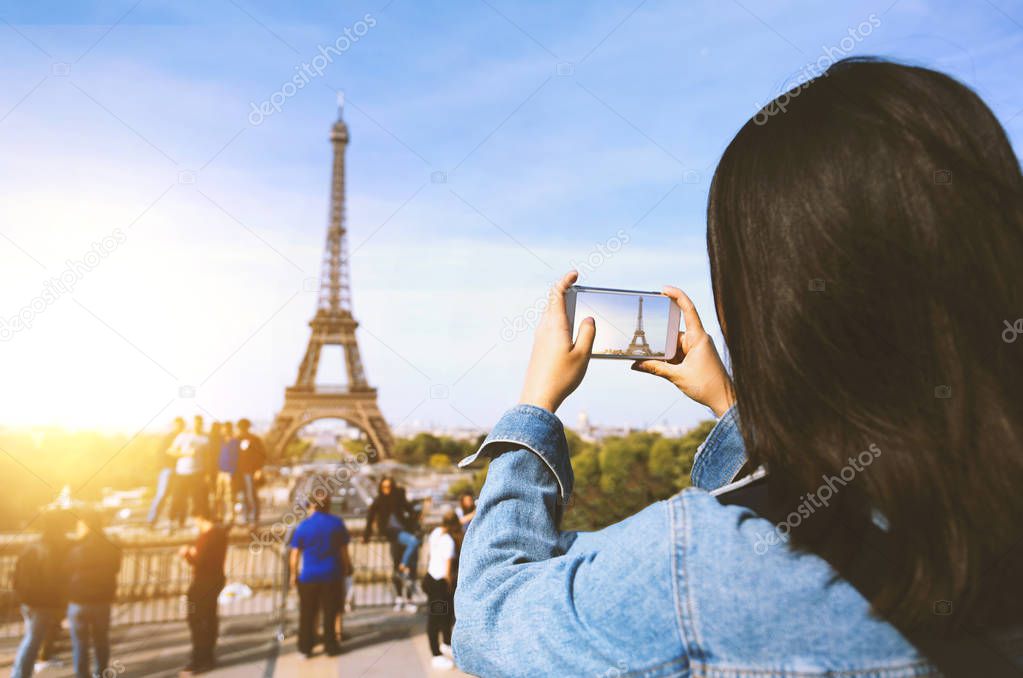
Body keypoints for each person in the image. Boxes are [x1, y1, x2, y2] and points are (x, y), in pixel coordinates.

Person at [452, 59, 1023, 677]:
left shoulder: (705, 565)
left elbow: (489, 620)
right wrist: (730, 405)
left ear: (769, 303)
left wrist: (535, 409)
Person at [289, 485, 351, 658]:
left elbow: (295, 555)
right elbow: (343, 551)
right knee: (330, 612)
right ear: (329, 505)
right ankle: (330, 646)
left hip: (309, 576)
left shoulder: (303, 526)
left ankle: (305, 648)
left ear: (312, 506)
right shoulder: (337, 523)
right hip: (332, 574)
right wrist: (347, 568)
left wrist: (294, 575)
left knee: (307, 613)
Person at [11, 512, 69, 678]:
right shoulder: (51, 549)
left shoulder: (32, 545)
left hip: (27, 600)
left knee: (32, 639)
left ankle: (21, 673)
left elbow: (16, 575)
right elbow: (53, 578)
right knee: (33, 641)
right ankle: (19, 675)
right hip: (42, 601)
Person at [66, 511, 121, 678]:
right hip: (101, 600)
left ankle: (82, 675)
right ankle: (101, 673)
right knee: (101, 641)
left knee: (80, 644)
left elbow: (65, 570)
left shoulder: (74, 547)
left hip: (78, 600)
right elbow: (116, 568)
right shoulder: (111, 545)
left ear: (85, 526)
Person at [179, 513, 227, 673]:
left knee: (197, 620)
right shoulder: (221, 534)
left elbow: (200, 562)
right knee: (210, 618)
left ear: (200, 517)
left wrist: (187, 554)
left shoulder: (207, 537)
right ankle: (208, 656)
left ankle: (200, 657)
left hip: (203, 582)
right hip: (217, 579)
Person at [423, 510, 459, 671]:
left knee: (443, 614)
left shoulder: (436, 532)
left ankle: (445, 643)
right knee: (436, 618)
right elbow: (447, 570)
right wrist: (451, 587)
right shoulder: (449, 541)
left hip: (430, 577)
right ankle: (436, 654)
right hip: (440, 582)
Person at [364, 476, 420, 579]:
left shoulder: (397, 498)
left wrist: (414, 517)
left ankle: (402, 573)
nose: (387, 489)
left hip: (401, 530)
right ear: (381, 488)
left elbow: (408, 508)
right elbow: (370, 518)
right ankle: (403, 566)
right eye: (384, 487)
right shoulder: (379, 500)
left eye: (389, 487)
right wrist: (366, 536)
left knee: (398, 558)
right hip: (391, 532)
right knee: (413, 542)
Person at [170, 415, 209, 528]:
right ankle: (176, 521)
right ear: (192, 423)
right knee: (179, 498)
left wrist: (207, 473)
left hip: (197, 473)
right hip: (182, 472)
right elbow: (171, 451)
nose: (197, 425)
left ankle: (198, 523)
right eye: (196, 423)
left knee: (198, 500)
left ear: (202, 424)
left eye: (200, 423)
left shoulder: (205, 439)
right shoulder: (183, 436)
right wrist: (185, 454)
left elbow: (208, 457)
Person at [147, 417, 185, 527]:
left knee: (179, 497)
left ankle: (177, 521)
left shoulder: (184, 438)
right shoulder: (168, 438)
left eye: (181, 425)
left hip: (180, 471)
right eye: (177, 425)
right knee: (162, 495)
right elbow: (162, 454)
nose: (179, 427)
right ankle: (152, 520)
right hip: (168, 470)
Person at [235, 419, 266, 526]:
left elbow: (261, 455)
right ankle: (245, 518)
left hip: (250, 472)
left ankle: (253, 518)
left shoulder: (254, 439)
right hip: (239, 473)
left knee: (250, 495)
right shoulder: (236, 440)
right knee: (242, 496)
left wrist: (258, 470)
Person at [215, 421, 239, 522]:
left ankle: (230, 516)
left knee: (229, 496)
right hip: (220, 472)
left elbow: (236, 457)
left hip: (229, 472)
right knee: (219, 495)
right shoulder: (220, 442)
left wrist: (232, 471)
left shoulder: (235, 442)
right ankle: (220, 515)